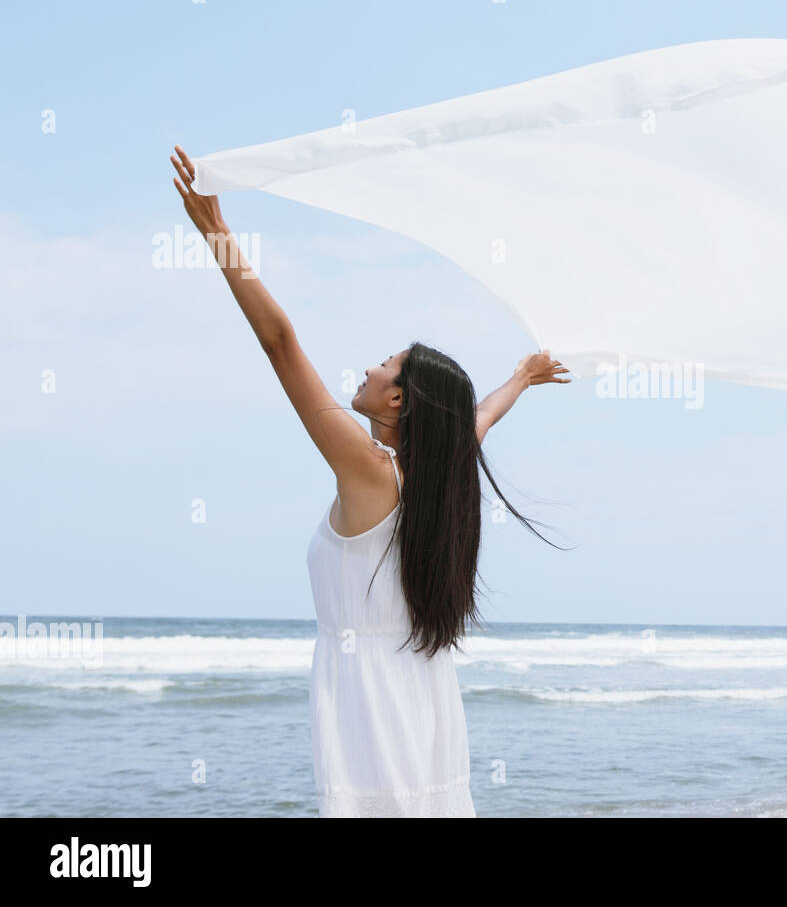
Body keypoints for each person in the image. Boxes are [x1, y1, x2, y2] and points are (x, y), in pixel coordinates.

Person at [171, 145, 568, 816]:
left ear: (397, 403)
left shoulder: (369, 468)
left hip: (370, 695)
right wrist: (521, 378)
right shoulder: (440, 469)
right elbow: (482, 417)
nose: (368, 368)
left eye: (384, 365)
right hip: (420, 683)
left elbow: (280, 343)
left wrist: (219, 236)